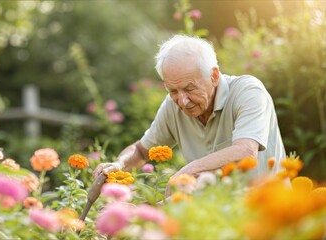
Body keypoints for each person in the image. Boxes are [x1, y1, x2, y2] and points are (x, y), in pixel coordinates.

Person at [92, 34, 286, 196]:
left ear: (214, 76)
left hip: (268, 212)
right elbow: (142, 152)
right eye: (173, 91)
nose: (182, 101)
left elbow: (245, 152)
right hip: (215, 217)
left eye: (189, 88)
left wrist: (189, 170)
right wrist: (119, 164)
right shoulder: (173, 105)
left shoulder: (248, 92)